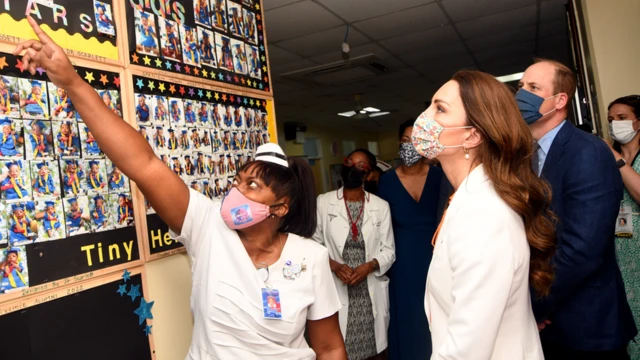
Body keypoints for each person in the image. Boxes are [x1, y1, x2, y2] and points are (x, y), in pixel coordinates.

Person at [12, 18, 349, 358]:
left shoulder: (311, 258)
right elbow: (143, 163)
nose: (236, 191)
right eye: (237, 181)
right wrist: (72, 82)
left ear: (280, 207)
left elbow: (330, 346)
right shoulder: (208, 226)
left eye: (252, 185)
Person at [412, 70, 556, 359]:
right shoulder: (467, 199)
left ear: (472, 135)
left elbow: (467, 349)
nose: (424, 117)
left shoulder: (483, 215)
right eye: (430, 105)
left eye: (440, 109)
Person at [516, 59, 636, 359]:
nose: (522, 96)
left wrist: (532, 303)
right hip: (550, 326)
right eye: (521, 87)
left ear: (559, 100)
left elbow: (582, 249)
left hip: (586, 325)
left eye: (533, 88)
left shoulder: (588, 151)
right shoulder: (527, 156)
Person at [378, 119, 451, 360]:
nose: (410, 146)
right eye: (405, 141)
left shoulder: (441, 176)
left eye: (415, 140)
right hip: (402, 265)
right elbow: (380, 227)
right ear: (399, 144)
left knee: (439, 317)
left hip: (437, 259)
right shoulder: (386, 182)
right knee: (408, 321)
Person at [313, 149, 395, 360]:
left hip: (368, 291)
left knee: (372, 351)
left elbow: (389, 251)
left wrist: (370, 265)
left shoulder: (380, 206)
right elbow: (314, 245)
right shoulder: (323, 202)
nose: (351, 169)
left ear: (368, 175)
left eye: (360, 166)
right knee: (339, 347)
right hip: (337, 284)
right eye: (349, 162)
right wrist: (334, 266)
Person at [604, 95, 640, 359]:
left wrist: (617, 159)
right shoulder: (603, 160)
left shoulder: (615, 158)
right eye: (610, 120)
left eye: (622, 118)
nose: (615, 124)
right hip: (619, 251)